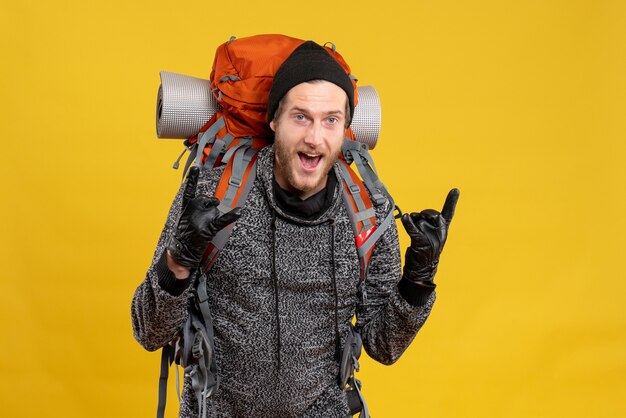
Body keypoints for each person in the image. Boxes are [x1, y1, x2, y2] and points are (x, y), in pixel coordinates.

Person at [131, 41, 459, 418]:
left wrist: (417, 282)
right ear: (275, 121)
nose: (315, 138)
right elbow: (149, 332)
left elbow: (383, 346)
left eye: (330, 119)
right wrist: (178, 261)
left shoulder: (367, 212)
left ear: (347, 127)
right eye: (301, 117)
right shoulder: (212, 196)